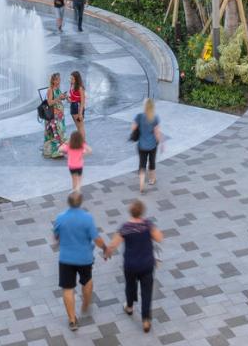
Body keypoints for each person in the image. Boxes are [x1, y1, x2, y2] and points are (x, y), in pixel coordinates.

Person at [51, 191, 108, 331]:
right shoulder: (87, 218)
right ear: (81, 202)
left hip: (66, 259)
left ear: (68, 202)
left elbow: (56, 237)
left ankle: (72, 320)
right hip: (84, 258)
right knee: (87, 280)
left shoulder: (60, 217)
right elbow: (96, 238)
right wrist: (105, 248)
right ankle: (85, 304)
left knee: (67, 288)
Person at [105, 199, 164, 332]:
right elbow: (159, 238)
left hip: (131, 264)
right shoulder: (148, 225)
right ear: (142, 211)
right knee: (146, 292)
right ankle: (146, 320)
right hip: (147, 264)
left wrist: (107, 253)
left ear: (130, 212)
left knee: (130, 286)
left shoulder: (125, 228)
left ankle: (130, 307)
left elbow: (113, 244)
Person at [133, 97, 162, 192]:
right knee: (152, 161)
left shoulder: (139, 116)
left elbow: (133, 127)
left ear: (144, 106)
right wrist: (161, 143)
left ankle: (141, 183)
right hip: (152, 145)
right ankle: (152, 179)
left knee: (142, 163)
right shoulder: (155, 117)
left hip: (141, 145)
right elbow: (157, 133)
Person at [42, 72, 66, 157]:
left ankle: (59, 150)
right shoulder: (50, 90)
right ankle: (54, 151)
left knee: (61, 132)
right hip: (54, 115)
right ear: (53, 80)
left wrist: (63, 97)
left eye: (59, 79)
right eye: (56, 80)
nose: (58, 81)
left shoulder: (58, 88)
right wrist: (58, 98)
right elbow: (49, 103)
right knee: (55, 133)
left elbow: (58, 98)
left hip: (60, 115)